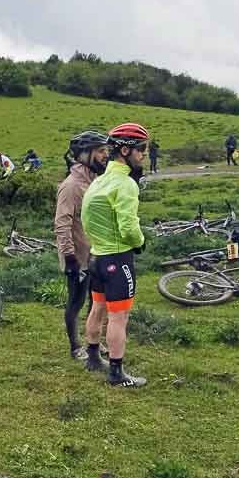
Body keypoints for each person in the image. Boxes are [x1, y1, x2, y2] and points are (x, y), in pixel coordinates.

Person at [82, 122, 150, 388]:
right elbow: (129, 227)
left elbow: (86, 218)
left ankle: (92, 358)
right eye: (141, 149)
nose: (144, 154)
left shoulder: (98, 181)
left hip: (97, 257)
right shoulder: (126, 184)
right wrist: (140, 241)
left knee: (97, 308)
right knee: (118, 317)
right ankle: (116, 373)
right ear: (124, 150)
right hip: (118, 259)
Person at [55, 130, 109, 361]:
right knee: (76, 302)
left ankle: (93, 342)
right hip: (77, 257)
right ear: (84, 154)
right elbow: (61, 224)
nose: (105, 155)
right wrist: (69, 258)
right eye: (100, 151)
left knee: (97, 301)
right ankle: (75, 347)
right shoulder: (71, 186)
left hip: (97, 252)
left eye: (105, 150)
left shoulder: (95, 181)